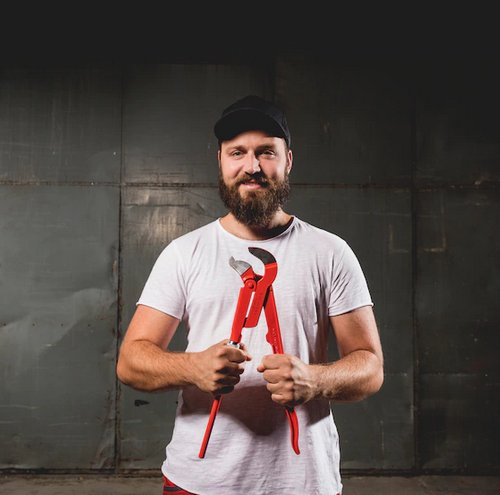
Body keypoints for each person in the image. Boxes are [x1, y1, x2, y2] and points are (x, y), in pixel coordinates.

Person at [117, 95, 384, 495]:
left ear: (288, 160)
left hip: (304, 484)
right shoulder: (184, 253)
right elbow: (130, 362)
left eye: (266, 152)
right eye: (237, 152)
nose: (252, 166)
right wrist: (193, 368)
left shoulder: (331, 253)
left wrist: (314, 380)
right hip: (199, 481)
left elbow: (371, 368)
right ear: (221, 161)